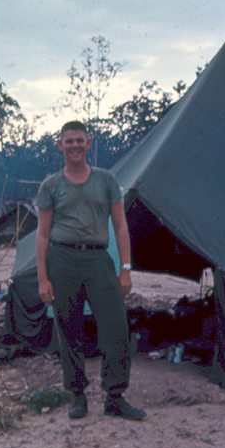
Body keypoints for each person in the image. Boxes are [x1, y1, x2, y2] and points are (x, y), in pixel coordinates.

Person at [35, 121, 146, 421]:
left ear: (88, 143)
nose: (74, 146)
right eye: (68, 141)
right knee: (68, 328)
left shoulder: (106, 181)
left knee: (116, 327)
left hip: (98, 260)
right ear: (60, 145)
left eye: (79, 140)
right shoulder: (51, 185)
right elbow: (42, 235)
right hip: (62, 260)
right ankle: (77, 395)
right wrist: (43, 278)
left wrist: (125, 268)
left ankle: (115, 396)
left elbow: (121, 225)